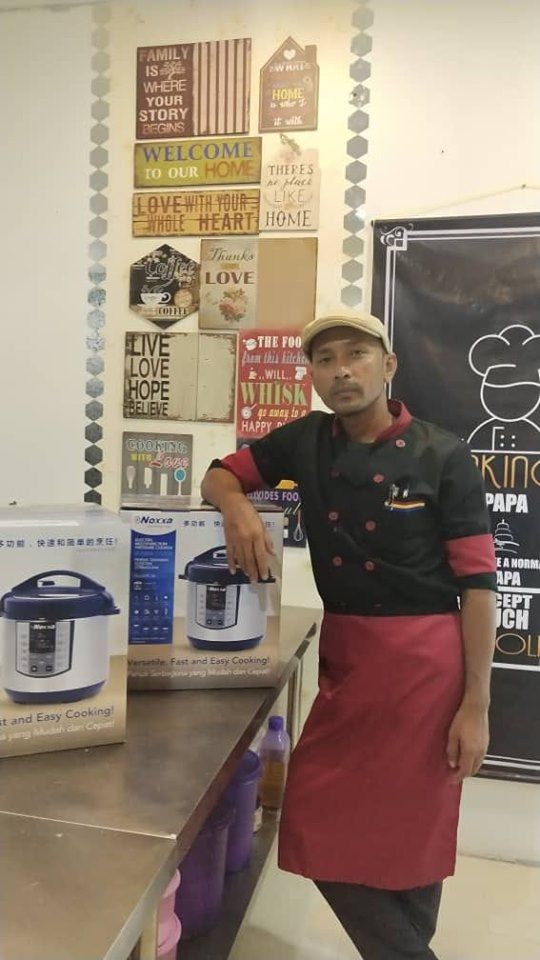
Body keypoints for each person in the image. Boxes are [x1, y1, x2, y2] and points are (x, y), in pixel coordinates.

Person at [201, 312, 497, 960]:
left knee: (414, 832)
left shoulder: (443, 454)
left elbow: (478, 585)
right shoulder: (305, 440)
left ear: (388, 366)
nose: (341, 370)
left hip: (425, 668)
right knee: (312, 817)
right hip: (349, 656)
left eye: (356, 354)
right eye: (326, 359)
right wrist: (237, 505)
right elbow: (219, 473)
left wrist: (476, 704)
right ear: (312, 374)